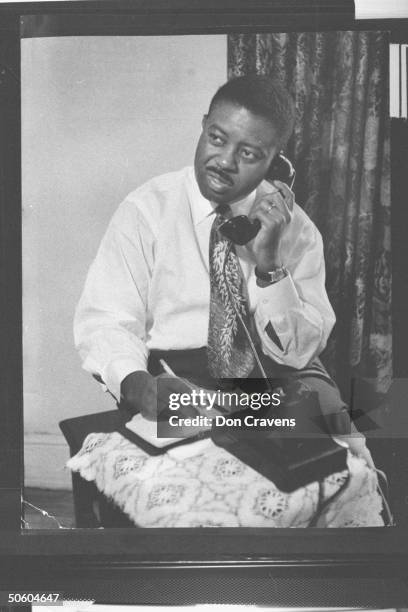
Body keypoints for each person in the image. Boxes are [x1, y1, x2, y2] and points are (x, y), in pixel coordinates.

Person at [74, 75, 373, 466]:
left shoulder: (296, 229)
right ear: (203, 126)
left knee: (344, 463)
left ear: (276, 162)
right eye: (217, 139)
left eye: (249, 154)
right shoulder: (146, 210)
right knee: (200, 482)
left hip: (282, 378)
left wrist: (269, 265)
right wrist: (137, 383)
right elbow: (107, 321)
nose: (225, 162)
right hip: (180, 376)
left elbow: (299, 354)